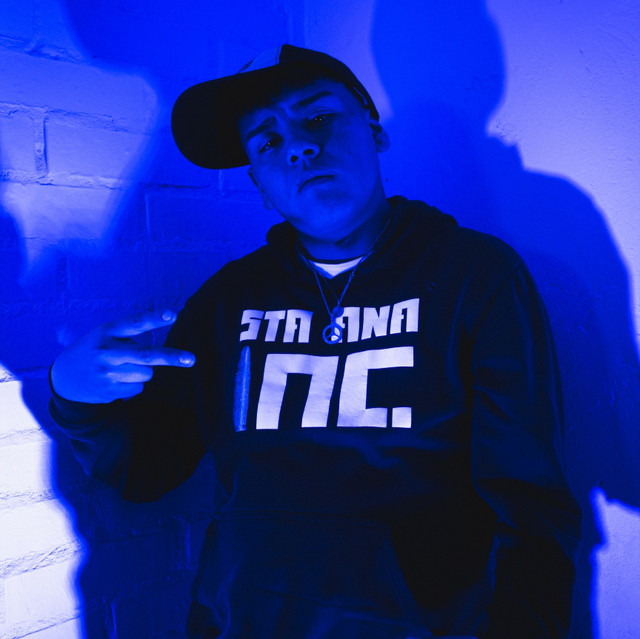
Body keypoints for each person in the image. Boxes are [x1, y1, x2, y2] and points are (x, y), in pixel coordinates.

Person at [49, 45, 582, 638]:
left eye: (320, 116)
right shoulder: (225, 302)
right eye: (267, 142)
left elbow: (532, 508)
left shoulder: (475, 278)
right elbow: (147, 468)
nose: (300, 146)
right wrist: (73, 396)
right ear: (259, 184)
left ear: (373, 131)